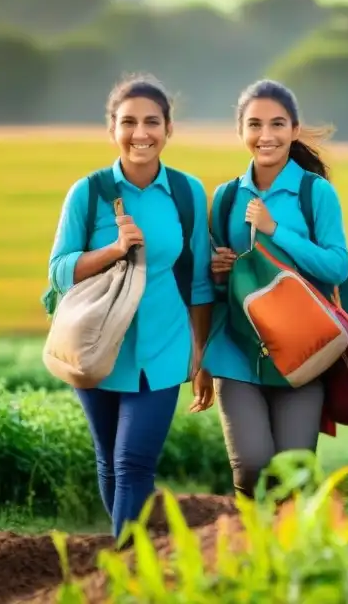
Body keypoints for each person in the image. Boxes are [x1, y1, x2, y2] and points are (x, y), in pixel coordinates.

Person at [46, 75, 214, 542]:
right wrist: (114, 250)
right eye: (129, 122)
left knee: (133, 461)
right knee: (109, 461)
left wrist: (201, 356)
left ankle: (126, 569)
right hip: (97, 349)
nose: (141, 132)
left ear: (168, 128)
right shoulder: (90, 191)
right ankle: (128, 558)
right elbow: (59, 270)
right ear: (112, 128)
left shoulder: (187, 193)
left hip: (163, 348)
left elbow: (200, 281)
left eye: (152, 122)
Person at [204, 79, 348, 498]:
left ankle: (286, 559)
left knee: (293, 475)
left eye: (277, 124)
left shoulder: (315, 193)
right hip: (236, 351)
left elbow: (337, 266)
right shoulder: (227, 197)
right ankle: (250, 552)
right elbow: (215, 286)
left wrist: (276, 230)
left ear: (293, 129)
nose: (265, 136)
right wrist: (219, 269)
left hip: (302, 351)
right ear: (240, 130)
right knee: (251, 466)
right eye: (254, 125)